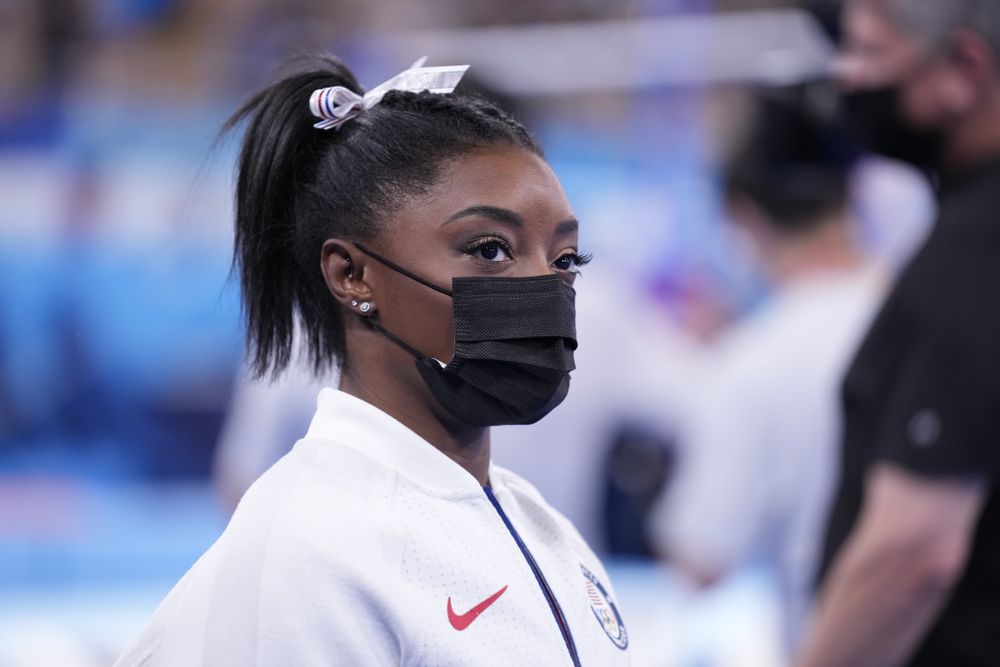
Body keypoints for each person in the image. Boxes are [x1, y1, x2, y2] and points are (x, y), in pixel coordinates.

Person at [114, 54, 630, 666]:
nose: (542, 287)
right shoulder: (306, 554)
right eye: (489, 249)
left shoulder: (550, 535)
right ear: (353, 274)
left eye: (566, 260)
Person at [796, 2, 1000, 665]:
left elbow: (913, 554)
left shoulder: (975, 251)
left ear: (965, 69)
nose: (846, 77)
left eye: (868, 54)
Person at [649, 86, 884, 652]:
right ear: (854, 193)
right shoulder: (933, 313)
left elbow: (700, 558)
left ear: (743, 218)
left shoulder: (754, 361)